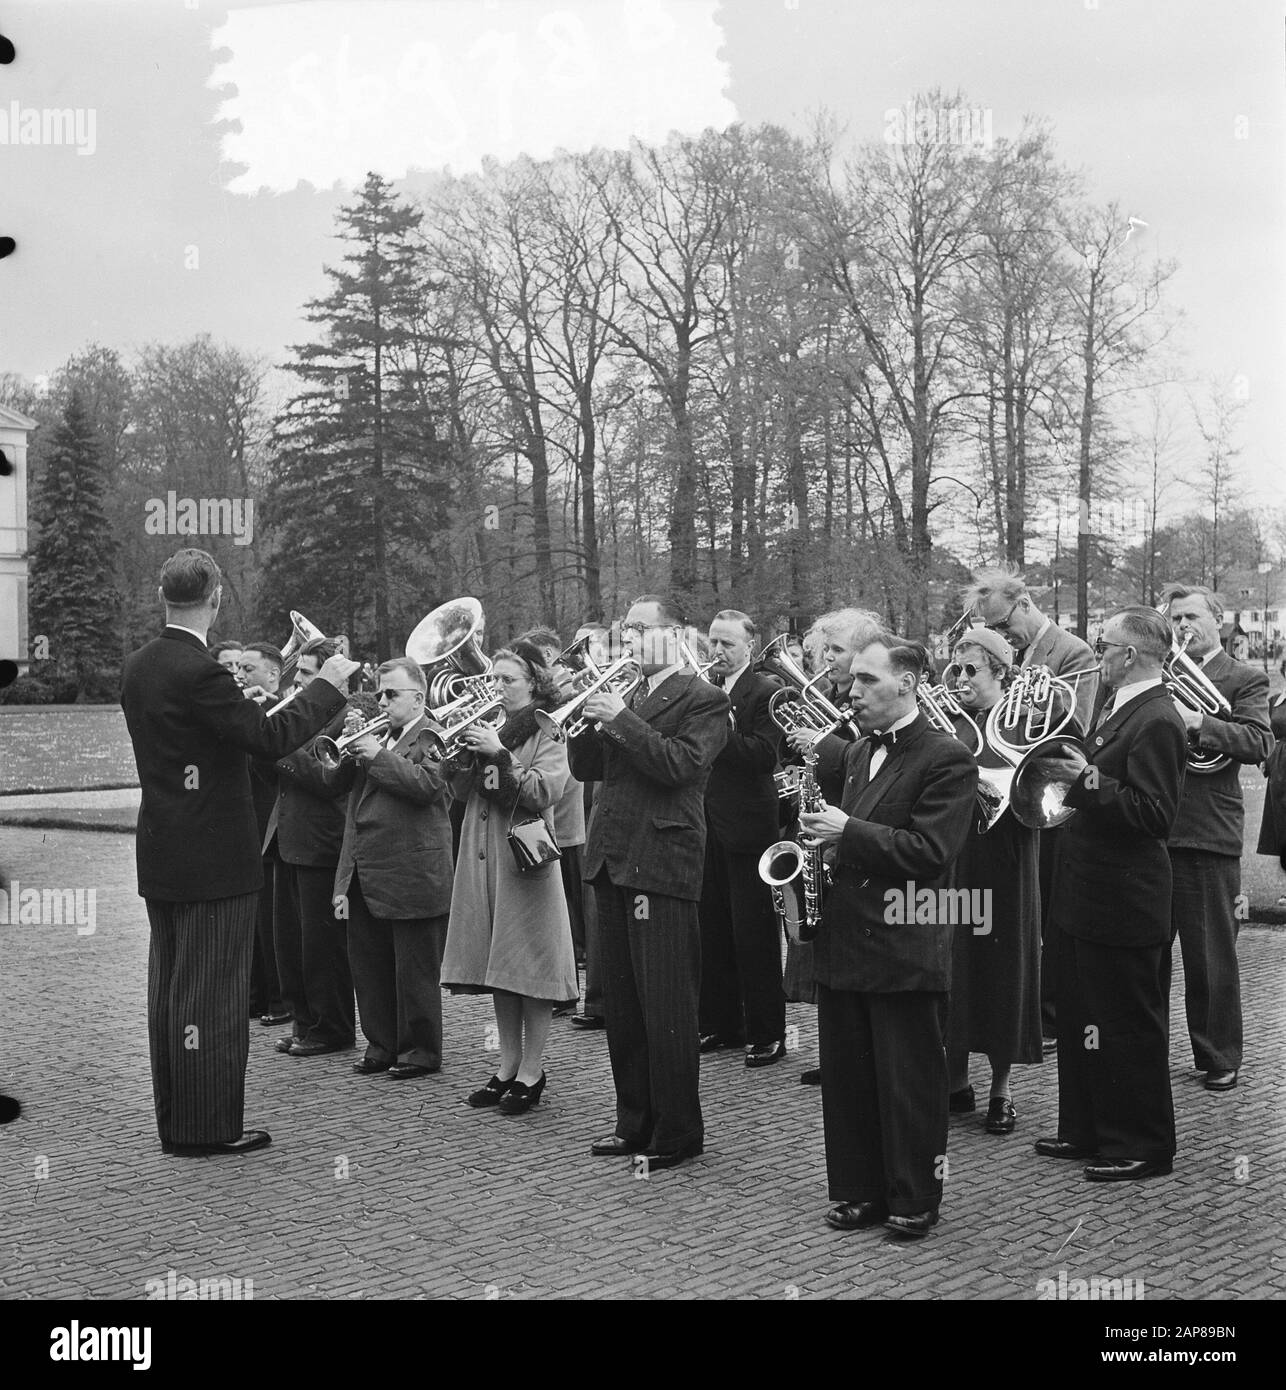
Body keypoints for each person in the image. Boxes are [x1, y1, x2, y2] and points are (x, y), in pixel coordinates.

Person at [120, 549, 355, 1155]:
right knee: (214, 999)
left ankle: (177, 1122)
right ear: (217, 597)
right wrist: (327, 687)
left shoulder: (141, 665)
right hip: (215, 861)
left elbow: (215, 735)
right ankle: (209, 1130)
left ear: (163, 594)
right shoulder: (201, 672)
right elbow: (270, 739)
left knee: (171, 992)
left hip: (164, 853)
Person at [798, 632, 977, 1238]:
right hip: (848, 937)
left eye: (868, 681)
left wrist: (847, 832)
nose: (854, 692)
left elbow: (931, 852)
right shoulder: (854, 753)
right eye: (854, 680)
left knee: (909, 1083)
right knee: (848, 1076)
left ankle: (915, 1196)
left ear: (907, 683)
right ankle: (858, 1191)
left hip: (906, 938)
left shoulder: (947, 757)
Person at [569, 595, 729, 1170]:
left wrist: (620, 720)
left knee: (666, 1003)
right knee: (626, 1006)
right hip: (612, 858)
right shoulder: (627, 694)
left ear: (674, 634)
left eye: (640, 630)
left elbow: (680, 765)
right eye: (625, 629)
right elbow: (588, 770)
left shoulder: (705, 699)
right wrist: (584, 719)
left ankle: (678, 1131)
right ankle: (632, 1121)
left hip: (661, 861)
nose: (628, 639)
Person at [1033, 606, 1187, 1181]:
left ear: (1131, 654)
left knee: (1125, 1022)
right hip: (1088, 894)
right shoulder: (1119, 706)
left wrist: (1087, 780)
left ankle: (1143, 1144)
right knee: (1081, 1016)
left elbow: (1156, 815)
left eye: (1105, 646)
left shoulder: (1159, 718)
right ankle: (1087, 1128)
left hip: (1125, 900)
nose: (1098, 655)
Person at [963, 567, 1098, 1052]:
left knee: (1045, 912)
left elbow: (1074, 725)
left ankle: (1048, 1016)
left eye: (1002, 624)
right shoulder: (1009, 654)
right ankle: (1021, 1014)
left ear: (1024, 604)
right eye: (993, 629)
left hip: (1046, 793)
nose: (1002, 635)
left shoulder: (1073, 652)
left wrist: (1017, 700)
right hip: (1003, 792)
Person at [441, 644, 578, 1114]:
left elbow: (543, 792)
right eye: (495, 679)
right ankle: (506, 1066)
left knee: (531, 969)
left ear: (535, 683)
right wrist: (459, 759)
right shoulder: (489, 726)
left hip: (525, 859)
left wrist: (499, 754)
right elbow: (460, 792)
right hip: (482, 857)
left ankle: (532, 1071)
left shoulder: (548, 728)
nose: (497, 688)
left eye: (508, 680)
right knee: (500, 969)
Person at [1160, 586, 1271, 1092]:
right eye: (1175, 617)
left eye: (1192, 616)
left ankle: (1218, 1056)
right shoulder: (1158, 676)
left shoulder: (1244, 678)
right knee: (1146, 954)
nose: (1182, 625)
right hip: (1153, 830)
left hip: (1207, 834)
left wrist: (1199, 720)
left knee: (1209, 958)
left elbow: (1258, 742)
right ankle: (1146, 1047)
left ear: (1219, 620)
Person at [327, 657, 454, 1079]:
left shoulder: (435, 734)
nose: (383, 701)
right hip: (368, 870)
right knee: (370, 964)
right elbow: (339, 792)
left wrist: (378, 754)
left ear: (418, 697)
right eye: (380, 693)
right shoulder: (379, 735)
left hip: (412, 870)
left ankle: (419, 1050)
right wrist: (350, 750)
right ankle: (380, 1043)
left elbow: (427, 786)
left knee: (413, 971)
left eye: (391, 694)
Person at [942, 628, 1042, 1133]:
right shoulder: (950, 723)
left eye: (971, 670)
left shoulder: (1025, 720)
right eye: (955, 669)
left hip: (1005, 853)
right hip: (956, 854)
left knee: (1003, 965)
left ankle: (1002, 1090)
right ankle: (956, 1081)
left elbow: (1046, 784)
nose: (960, 679)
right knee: (955, 959)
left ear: (1000, 673)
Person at [784, 608, 882, 1084]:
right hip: (829, 830)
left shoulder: (873, 700)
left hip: (859, 835)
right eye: (825, 651)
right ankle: (837, 1052)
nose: (827, 661)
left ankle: (856, 1055)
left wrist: (822, 748)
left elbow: (873, 761)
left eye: (836, 651)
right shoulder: (830, 695)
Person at [697, 609, 787, 1067]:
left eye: (728, 643)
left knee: (754, 935)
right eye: (714, 641)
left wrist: (718, 727)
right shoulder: (706, 690)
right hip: (706, 823)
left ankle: (768, 1031)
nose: (718, 650)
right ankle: (721, 1023)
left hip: (749, 828)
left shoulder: (765, 691)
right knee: (712, 928)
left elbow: (762, 755)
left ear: (749, 647)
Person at [266, 637, 356, 1057]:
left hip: (320, 842)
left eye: (306, 673)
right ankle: (304, 1023)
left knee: (322, 946)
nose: (297, 680)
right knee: (291, 944)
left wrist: (280, 744)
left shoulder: (345, 716)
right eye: (299, 672)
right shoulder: (298, 714)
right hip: (286, 839)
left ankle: (332, 1027)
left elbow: (330, 778)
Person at [519, 626, 588, 1019]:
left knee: (563, 908)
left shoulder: (567, 692)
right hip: (538, 820)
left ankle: (566, 987)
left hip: (560, 813)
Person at [239, 641, 292, 1026]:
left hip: (272, 821)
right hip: (250, 825)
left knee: (274, 920)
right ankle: (258, 997)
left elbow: (271, 766)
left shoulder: (283, 712)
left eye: (248, 668)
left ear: (273, 675)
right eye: (238, 668)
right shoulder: (248, 708)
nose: (240, 675)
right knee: (255, 921)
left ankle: (278, 1000)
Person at [1256, 685, 1286, 905]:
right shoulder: (1275, 700)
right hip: (1279, 769)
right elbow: (1265, 732)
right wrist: (1264, 758)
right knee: (1282, 827)